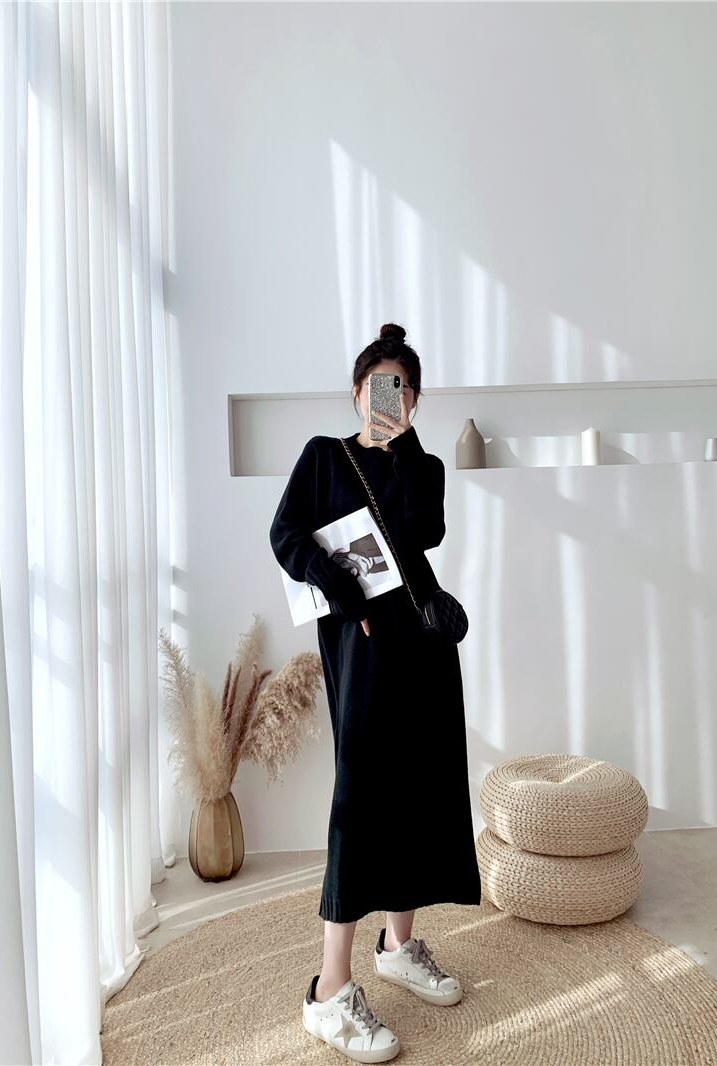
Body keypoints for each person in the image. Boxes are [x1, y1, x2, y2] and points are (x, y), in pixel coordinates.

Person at [269, 323, 482, 1062]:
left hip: (422, 644)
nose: (389, 399)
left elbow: (425, 530)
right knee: (360, 797)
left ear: (414, 401)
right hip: (360, 650)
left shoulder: (423, 465)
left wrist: (403, 447)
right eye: (379, 386)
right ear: (357, 391)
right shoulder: (322, 458)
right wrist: (342, 589)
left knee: (417, 786)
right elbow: (287, 536)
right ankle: (330, 990)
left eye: (403, 389)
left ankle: (398, 946)